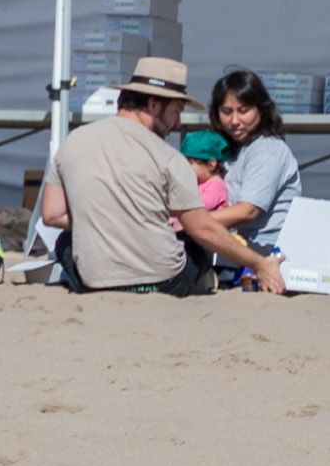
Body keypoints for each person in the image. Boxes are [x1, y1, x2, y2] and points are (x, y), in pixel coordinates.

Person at [47, 58, 278, 296]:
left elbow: (51, 214)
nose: (177, 123)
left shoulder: (72, 142)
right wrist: (259, 264)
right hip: (162, 282)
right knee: (196, 247)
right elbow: (203, 230)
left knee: (66, 242)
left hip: (93, 281)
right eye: (176, 111)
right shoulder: (168, 157)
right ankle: (207, 280)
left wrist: (105, 222)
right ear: (154, 105)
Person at [203, 71, 305, 281]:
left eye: (243, 111)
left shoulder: (267, 150)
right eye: (226, 111)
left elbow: (247, 211)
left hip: (266, 249)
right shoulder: (229, 150)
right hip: (233, 245)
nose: (234, 121)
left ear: (261, 109)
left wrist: (192, 221)